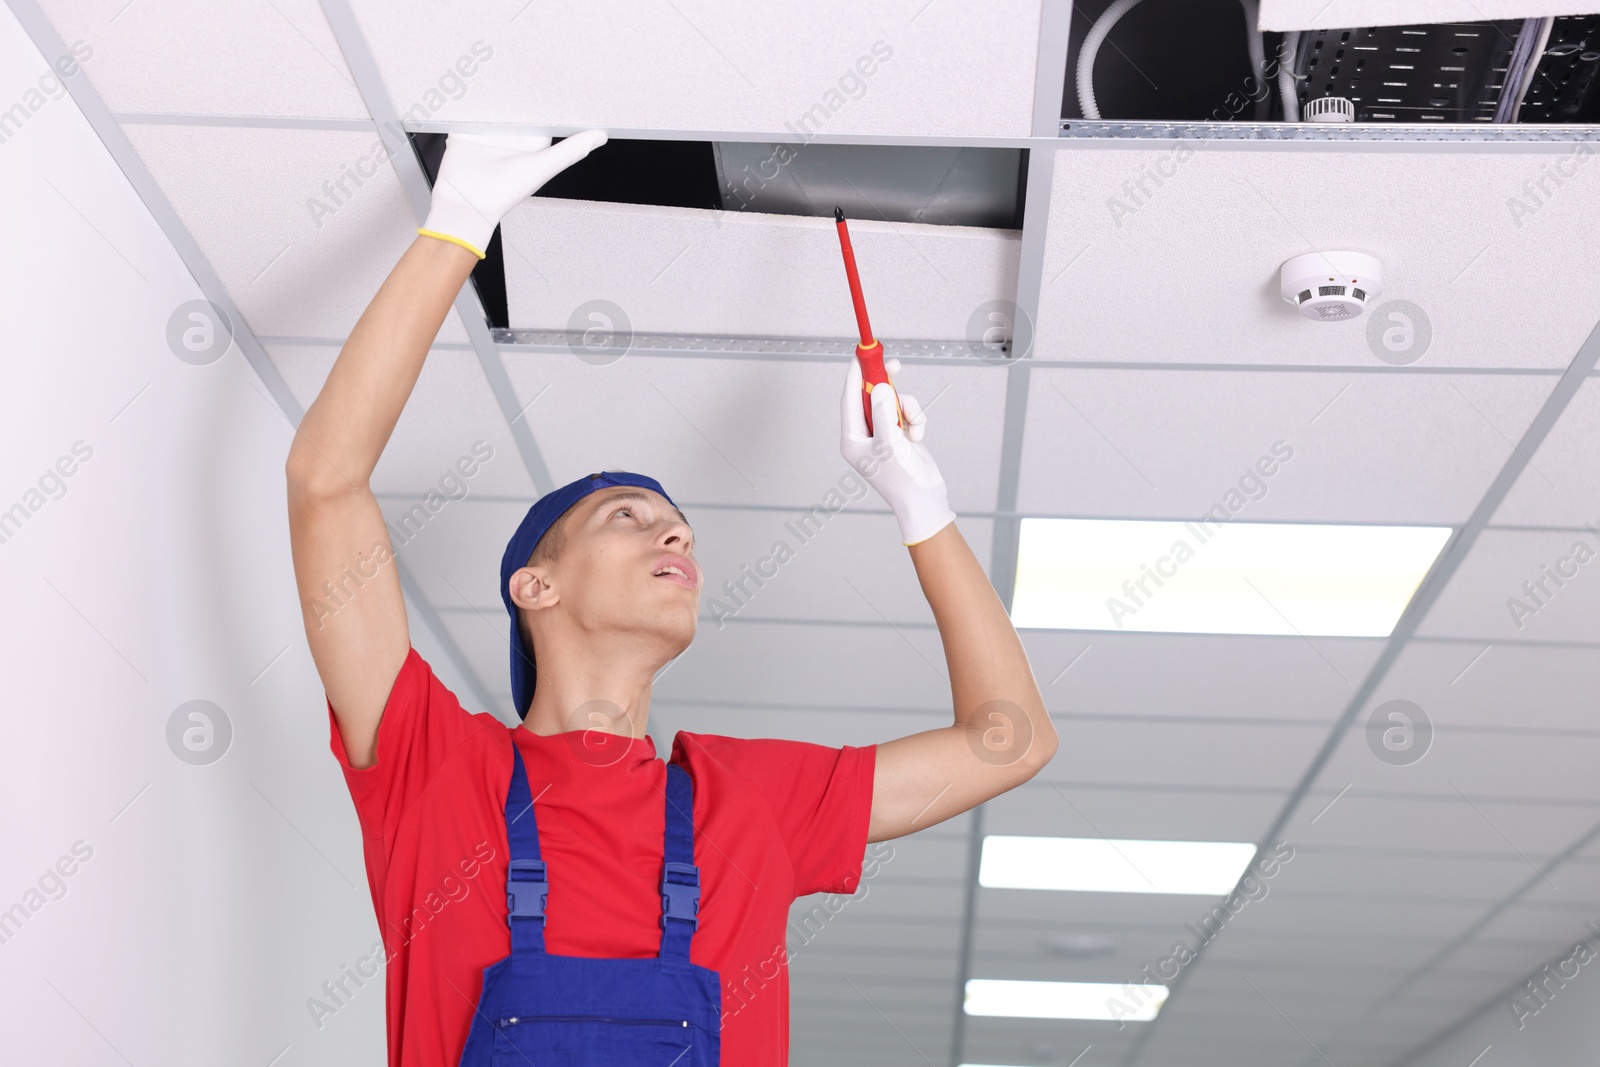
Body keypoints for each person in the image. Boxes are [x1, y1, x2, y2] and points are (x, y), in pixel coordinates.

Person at [285, 131, 1058, 1067]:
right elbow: (327, 481)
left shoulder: (750, 804)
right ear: (536, 585)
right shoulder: (434, 769)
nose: (677, 534)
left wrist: (920, 505)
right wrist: (458, 228)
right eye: (629, 516)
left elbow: (1007, 741)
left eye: (679, 525)